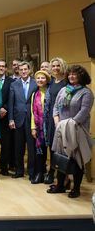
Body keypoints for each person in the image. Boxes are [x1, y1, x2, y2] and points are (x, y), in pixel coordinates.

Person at [47, 65, 93, 198]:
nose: (71, 76)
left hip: (77, 130)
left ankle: (76, 188)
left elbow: (83, 113)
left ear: (81, 76)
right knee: (60, 157)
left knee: (76, 159)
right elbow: (55, 107)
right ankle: (60, 185)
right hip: (61, 129)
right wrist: (57, 123)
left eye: (75, 74)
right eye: (70, 74)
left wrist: (66, 125)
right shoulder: (63, 90)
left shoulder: (86, 93)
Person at [8, 61, 38, 180]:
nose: (23, 71)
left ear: (29, 70)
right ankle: (19, 170)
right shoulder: (14, 84)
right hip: (18, 119)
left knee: (32, 148)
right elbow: (11, 103)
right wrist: (10, 119)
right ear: (18, 71)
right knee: (18, 148)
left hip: (32, 121)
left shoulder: (36, 83)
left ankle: (32, 172)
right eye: (21, 70)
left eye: (25, 69)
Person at [42, 57, 68, 184]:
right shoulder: (52, 82)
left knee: (62, 148)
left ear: (62, 66)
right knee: (52, 147)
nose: (56, 68)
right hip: (50, 119)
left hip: (62, 119)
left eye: (58, 65)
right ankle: (52, 171)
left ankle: (64, 175)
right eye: (53, 66)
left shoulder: (67, 82)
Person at [0, 59, 14, 176]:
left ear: (6, 69)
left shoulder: (11, 82)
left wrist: (4, 108)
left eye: (3, 66)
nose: (1, 68)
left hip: (6, 116)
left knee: (6, 143)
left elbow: (12, 98)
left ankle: (3, 166)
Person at [30, 70, 52, 184]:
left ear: (47, 79)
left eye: (42, 78)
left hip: (50, 126)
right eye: (38, 78)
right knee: (40, 151)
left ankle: (51, 174)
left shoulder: (51, 92)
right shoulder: (35, 94)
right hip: (39, 127)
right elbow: (32, 112)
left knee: (52, 151)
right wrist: (33, 128)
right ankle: (40, 173)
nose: (40, 80)